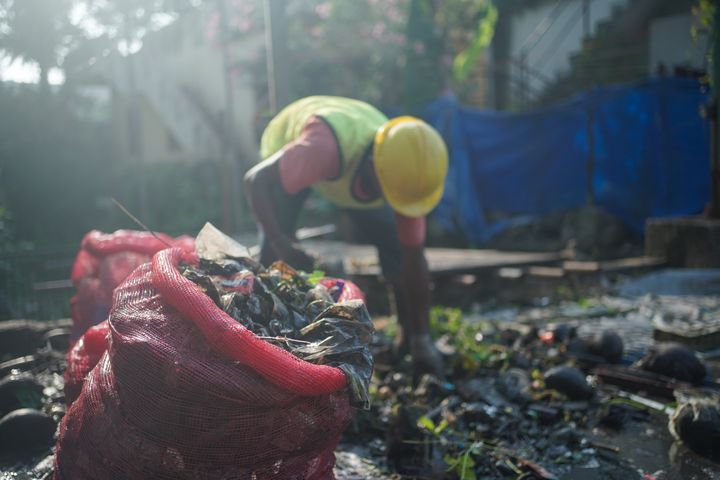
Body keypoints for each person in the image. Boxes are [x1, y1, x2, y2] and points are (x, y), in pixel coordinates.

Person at [244, 95, 448, 376]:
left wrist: (422, 339)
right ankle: (266, 350)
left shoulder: (406, 173)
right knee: (273, 258)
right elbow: (255, 182)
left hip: (347, 163)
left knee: (398, 251)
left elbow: (414, 259)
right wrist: (282, 242)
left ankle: (410, 336)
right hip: (291, 146)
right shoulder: (320, 150)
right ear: (374, 169)